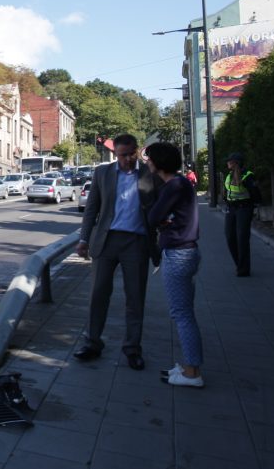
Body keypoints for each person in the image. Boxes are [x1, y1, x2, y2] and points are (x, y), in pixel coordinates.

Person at [74, 134, 161, 370]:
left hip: (137, 243)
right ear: (115, 154)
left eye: (131, 154)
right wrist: (84, 239)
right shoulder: (102, 173)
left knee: (135, 297)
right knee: (98, 294)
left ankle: (133, 348)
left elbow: (159, 207)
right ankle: (92, 343)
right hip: (106, 241)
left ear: (137, 151)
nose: (127, 159)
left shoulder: (148, 174)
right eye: (122, 155)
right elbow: (91, 209)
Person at [144, 142, 204, 388]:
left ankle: (192, 373)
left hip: (178, 254)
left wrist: (162, 221)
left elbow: (153, 216)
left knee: (182, 315)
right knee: (184, 312)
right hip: (186, 252)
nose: (146, 162)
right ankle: (189, 365)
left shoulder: (173, 185)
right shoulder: (181, 184)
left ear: (158, 162)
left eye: (149, 158)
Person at [223, 152, 261, 277]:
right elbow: (227, 191)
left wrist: (253, 206)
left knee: (242, 238)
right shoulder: (229, 175)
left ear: (236, 163)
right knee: (230, 237)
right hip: (231, 208)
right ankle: (239, 264)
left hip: (244, 209)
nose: (228, 162)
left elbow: (255, 194)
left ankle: (243, 269)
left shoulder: (247, 176)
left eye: (230, 161)